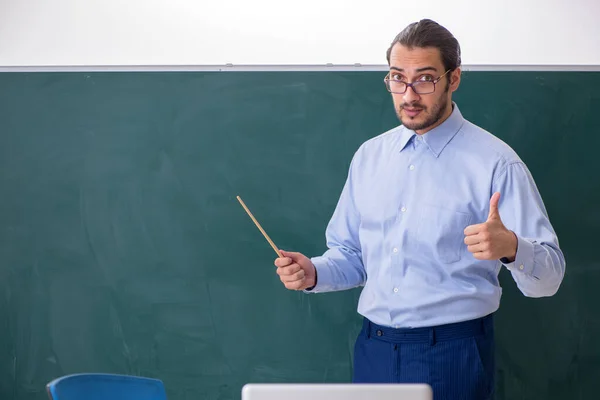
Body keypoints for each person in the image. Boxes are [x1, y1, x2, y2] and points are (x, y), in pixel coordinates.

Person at [274, 18, 565, 400]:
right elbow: (352, 257)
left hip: (454, 352)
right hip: (374, 348)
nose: (409, 94)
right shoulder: (369, 157)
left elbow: (551, 277)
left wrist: (511, 247)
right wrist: (314, 272)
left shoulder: (496, 163)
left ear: (453, 78)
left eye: (425, 79)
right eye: (397, 78)